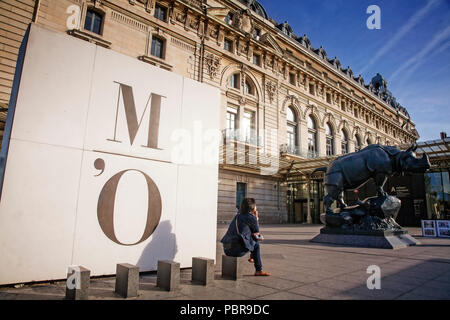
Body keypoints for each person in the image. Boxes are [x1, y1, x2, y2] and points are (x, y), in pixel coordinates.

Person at [221, 198, 270, 276]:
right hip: (236, 250)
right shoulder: (251, 218)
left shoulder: (237, 216)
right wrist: (256, 219)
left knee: (250, 239)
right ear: (253, 207)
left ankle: (253, 257)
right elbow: (257, 234)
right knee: (256, 244)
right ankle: (258, 270)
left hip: (226, 249)